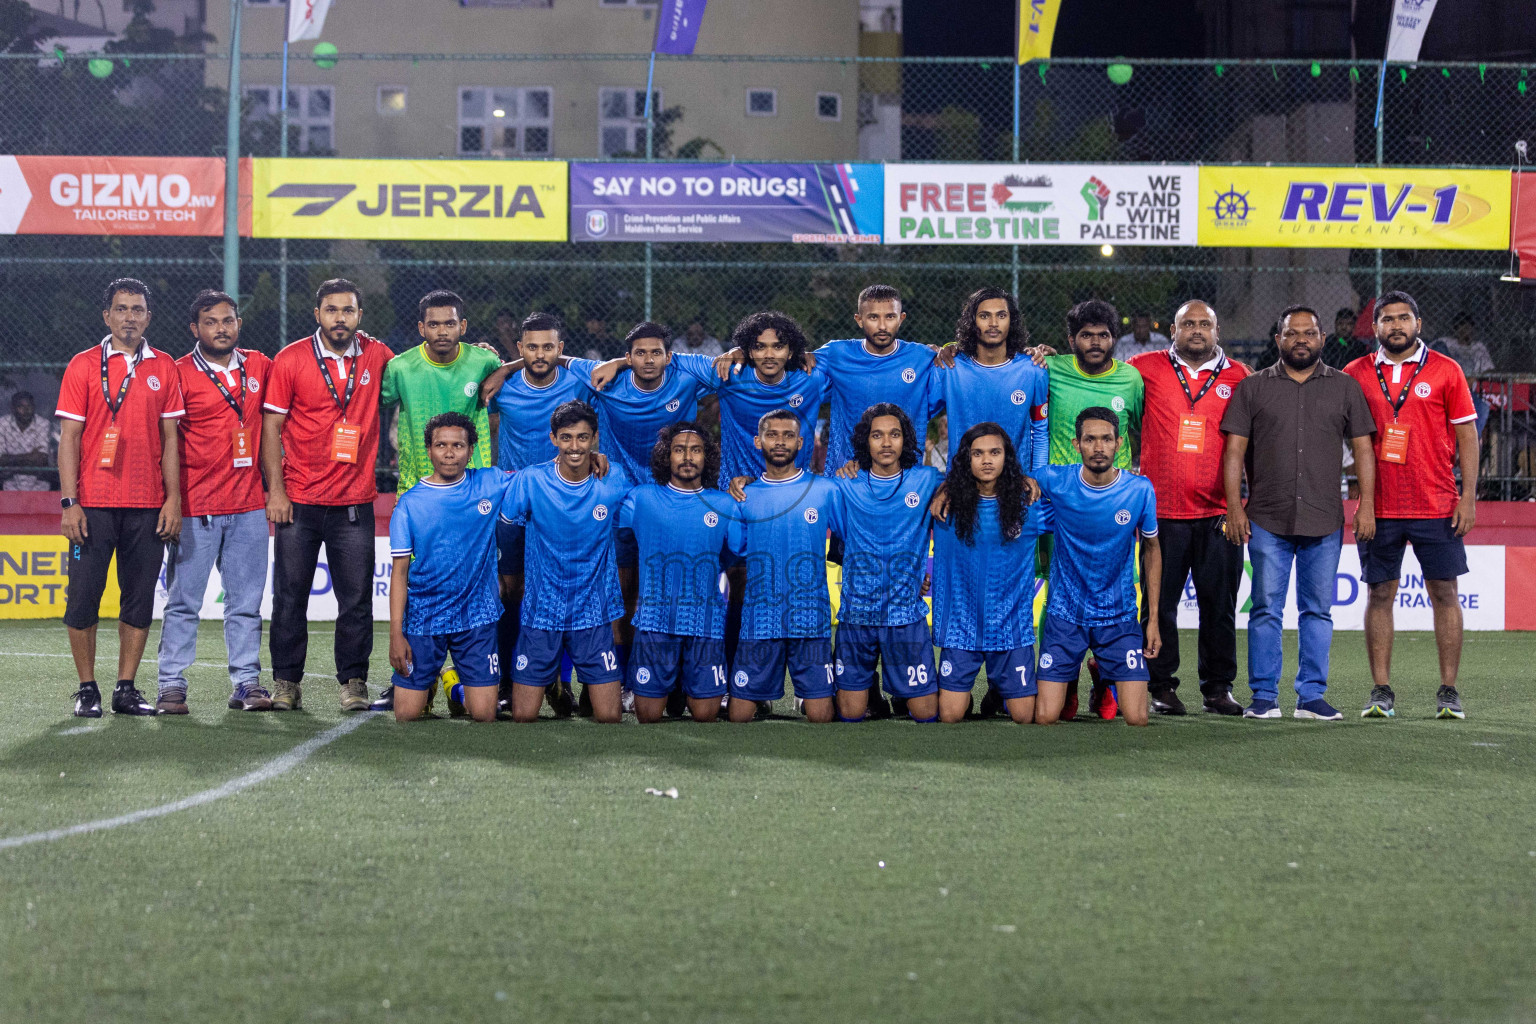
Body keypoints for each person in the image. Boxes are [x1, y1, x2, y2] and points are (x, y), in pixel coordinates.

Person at [1221, 305, 1377, 722]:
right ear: (1279, 340)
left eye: (1309, 333)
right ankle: (1264, 697)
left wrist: (1366, 505)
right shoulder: (1253, 388)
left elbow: (1364, 449)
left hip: (1325, 518)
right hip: (1267, 518)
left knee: (1317, 611)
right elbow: (1233, 450)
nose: (1301, 340)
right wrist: (1235, 506)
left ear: (1322, 339)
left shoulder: (1345, 387)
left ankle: (1311, 696)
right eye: (1292, 333)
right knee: (1266, 609)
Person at [1346, 291, 1479, 720]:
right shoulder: (1356, 373)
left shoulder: (1447, 370)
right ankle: (1381, 690)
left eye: (1404, 318)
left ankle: (1449, 691)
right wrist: (1361, 502)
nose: (1396, 326)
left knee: (1444, 593)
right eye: (1387, 319)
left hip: (1437, 503)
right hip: (1378, 508)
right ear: (1376, 327)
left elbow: (1467, 437)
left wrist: (1469, 497)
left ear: (1418, 324)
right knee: (1379, 593)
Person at [263, 279, 394, 713]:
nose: (340, 318)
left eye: (348, 310)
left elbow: (426, 364)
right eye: (332, 310)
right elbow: (270, 429)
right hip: (298, 501)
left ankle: (353, 682)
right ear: (317, 314)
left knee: (355, 600)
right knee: (289, 597)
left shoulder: (377, 356)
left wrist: (490, 356)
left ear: (360, 316)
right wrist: (276, 492)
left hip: (354, 502)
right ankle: (286, 683)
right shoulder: (291, 359)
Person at [56, 278, 184, 717]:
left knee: (139, 598)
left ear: (148, 317)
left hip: (148, 504)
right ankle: (87, 688)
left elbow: (171, 441)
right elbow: (68, 439)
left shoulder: (165, 367)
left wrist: (173, 500)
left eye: (137, 309)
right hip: (92, 504)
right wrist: (69, 503)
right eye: (121, 308)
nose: (129, 316)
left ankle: (125, 688)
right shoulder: (83, 365)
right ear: (106, 316)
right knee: (83, 597)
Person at [1124, 300, 1250, 717]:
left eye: (1205, 324)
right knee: (1159, 606)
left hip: (1219, 514)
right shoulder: (1143, 367)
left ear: (1217, 330)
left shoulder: (1240, 376)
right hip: (1160, 513)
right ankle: (1160, 685)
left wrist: (1241, 505)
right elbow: (1100, 375)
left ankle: (1218, 688)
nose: (1197, 330)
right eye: (1188, 324)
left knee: (1220, 605)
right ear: (1172, 330)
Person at [155, 290, 273, 714]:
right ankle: (171, 684)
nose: (221, 328)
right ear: (195, 328)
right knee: (184, 602)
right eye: (211, 321)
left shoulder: (260, 365)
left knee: (246, 604)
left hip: (248, 507)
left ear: (238, 323)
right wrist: (171, 500)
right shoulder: (177, 372)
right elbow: (163, 441)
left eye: (228, 320)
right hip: (195, 507)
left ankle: (247, 682)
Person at [478, 312, 598, 712]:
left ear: (561, 350)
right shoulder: (505, 385)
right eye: (531, 347)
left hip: (564, 506)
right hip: (514, 505)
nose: (540, 354)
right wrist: (502, 368)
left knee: (563, 591)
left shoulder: (579, 382)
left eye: (549, 346)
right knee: (510, 593)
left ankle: (562, 681)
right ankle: (511, 680)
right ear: (520, 349)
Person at [496, 401, 633, 723]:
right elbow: (506, 527)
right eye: (567, 437)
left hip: (593, 611)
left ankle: (575, 684)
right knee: (523, 716)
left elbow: (633, 524)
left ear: (595, 438)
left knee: (609, 717)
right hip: (542, 609)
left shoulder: (614, 479)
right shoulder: (530, 480)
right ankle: (551, 680)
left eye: (583, 438)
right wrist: (512, 575)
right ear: (553, 438)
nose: (575, 446)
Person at [1033, 408, 1161, 727]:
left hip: (1118, 618)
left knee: (1137, 718)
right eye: (1090, 439)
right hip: (1065, 616)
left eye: (1106, 439)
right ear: (1077, 444)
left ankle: (1102, 675)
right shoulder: (1054, 480)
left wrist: (1153, 618)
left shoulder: (1139, 490)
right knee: (1045, 716)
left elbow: (1153, 549)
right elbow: (1011, 485)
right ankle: (1082, 669)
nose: (1099, 447)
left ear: (1119, 443)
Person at [387, 412, 510, 724]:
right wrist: (395, 634)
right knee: (406, 715)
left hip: (477, 617)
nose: (450, 452)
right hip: (424, 619)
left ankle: (454, 687)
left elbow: (538, 476)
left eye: (458, 445)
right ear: (428, 450)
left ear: (471, 450)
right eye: (441, 445)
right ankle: (436, 681)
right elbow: (399, 574)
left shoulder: (489, 482)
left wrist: (588, 459)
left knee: (484, 714)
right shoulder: (409, 504)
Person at [614, 422, 737, 723]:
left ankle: (684, 687)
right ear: (665, 456)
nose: (687, 457)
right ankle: (671, 688)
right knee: (647, 715)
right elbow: (623, 539)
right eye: (679, 450)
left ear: (706, 457)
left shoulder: (724, 505)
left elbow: (734, 557)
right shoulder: (640, 499)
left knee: (706, 715)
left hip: (704, 622)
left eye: (695, 450)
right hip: (655, 621)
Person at [932, 424, 1052, 723]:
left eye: (995, 453)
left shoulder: (1031, 506)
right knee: (949, 716)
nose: (987, 460)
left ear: (1007, 458)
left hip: (1010, 628)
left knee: (1026, 717)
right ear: (965, 459)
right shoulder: (943, 505)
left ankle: (1000, 691)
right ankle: (973, 693)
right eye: (978, 453)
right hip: (961, 628)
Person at [729, 410, 843, 724]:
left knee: (822, 718)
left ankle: (807, 697)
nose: (780, 442)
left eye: (788, 435)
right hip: (759, 620)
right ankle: (762, 697)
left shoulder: (825, 491)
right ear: (758, 441)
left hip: (810, 620)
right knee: (738, 717)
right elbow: (736, 551)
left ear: (801, 443)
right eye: (773, 435)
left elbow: (853, 541)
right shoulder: (743, 496)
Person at [831, 404, 943, 723]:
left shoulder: (927, 480)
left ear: (905, 440)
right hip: (857, 615)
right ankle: (871, 688)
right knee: (850, 714)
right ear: (865, 442)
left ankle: (899, 692)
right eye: (877, 435)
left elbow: (962, 490)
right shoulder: (845, 485)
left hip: (905, 615)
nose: (885, 443)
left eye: (894, 435)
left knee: (926, 714)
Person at [799, 284, 940, 476]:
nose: (882, 326)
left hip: (905, 479)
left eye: (890, 316)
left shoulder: (921, 357)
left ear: (901, 318)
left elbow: (960, 360)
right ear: (859, 320)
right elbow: (787, 365)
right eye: (873, 317)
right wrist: (800, 356)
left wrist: (949, 348)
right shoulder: (836, 354)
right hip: (847, 475)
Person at [380, 290, 500, 495]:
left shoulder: (486, 362)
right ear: (421, 328)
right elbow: (372, 402)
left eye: (450, 324)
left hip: (473, 486)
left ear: (462, 326)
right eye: (434, 324)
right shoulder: (400, 368)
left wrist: (504, 368)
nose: (442, 331)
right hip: (416, 486)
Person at [574, 321, 717, 482]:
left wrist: (738, 352)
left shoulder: (687, 380)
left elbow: (731, 371)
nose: (649, 360)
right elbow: (559, 361)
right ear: (629, 357)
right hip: (617, 481)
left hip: (670, 482)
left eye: (656, 353)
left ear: (669, 356)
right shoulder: (606, 378)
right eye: (640, 353)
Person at [931, 287, 1049, 470]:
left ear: (1011, 321)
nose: (993, 323)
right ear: (972, 322)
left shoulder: (1033, 370)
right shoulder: (951, 368)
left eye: (1001, 316)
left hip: (1015, 485)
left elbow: (1040, 431)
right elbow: (919, 413)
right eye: (984, 316)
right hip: (962, 483)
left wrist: (1038, 479)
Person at [709, 311, 829, 487]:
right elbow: (678, 364)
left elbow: (855, 369)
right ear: (749, 351)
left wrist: (813, 356)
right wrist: (734, 352)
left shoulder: (811, 379)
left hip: (793, 489)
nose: (769, 354)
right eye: (760, 347)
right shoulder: (729, 373)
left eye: (778, 347)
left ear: (791, 352)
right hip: (737, 492)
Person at [1431, 314, 1494, 437]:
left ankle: (1470, 440)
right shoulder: (1446, 342)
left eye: (1468, 327)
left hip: (1467, 390)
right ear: (1456, 329)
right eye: (1461, 327)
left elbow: (1489, 369)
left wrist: (1474, 377)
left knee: (1483, 406)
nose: (1465, 331)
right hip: (1446, 386)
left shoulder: (1478, 347)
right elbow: (1430, 356)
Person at [0, 390, 53, 490]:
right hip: (9, 485)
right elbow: (0, 460)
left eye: (29, 406)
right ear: (13, 408)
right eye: (21, 407)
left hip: (39, 486)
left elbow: (41, 459)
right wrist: (31, 456)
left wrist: (9, 459)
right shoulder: (2, 424)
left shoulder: (42, 424)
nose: (26, 410)